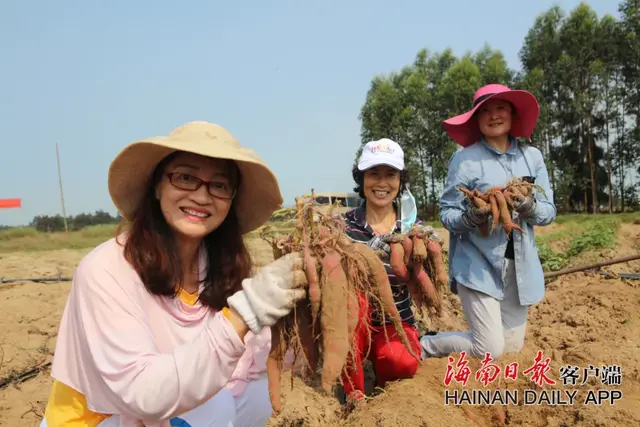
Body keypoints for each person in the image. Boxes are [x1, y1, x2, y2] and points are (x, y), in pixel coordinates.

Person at [40, 121, 306, 427]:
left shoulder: (219, 269)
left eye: (219, 185)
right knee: (216, 408)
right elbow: (144, 394)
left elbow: (250, 362)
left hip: (171, 409)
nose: (203, 197)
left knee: (255, 395)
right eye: (185, 177)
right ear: (157, 186)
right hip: (98, 418)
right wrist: (245, 313)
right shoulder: (105, 270)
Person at [419, 84, 556, 362]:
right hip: (477, 263)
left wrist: (525, 204)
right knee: (489, 349)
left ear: (512, 114)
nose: (494, 116)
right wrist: (475, 215)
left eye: (501, 108)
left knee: (511, 348)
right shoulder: (464, 159)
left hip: (519, 266)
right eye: (486, 111)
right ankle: (427, 344)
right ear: (476, 119)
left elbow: (548, 212)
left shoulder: (532, 157)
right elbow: (447, 214)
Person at [339, 138, 425, 403]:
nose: (382, 183)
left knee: (403, 363)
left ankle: (386, 387)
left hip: (396, 320)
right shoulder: (342, 226)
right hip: (352, 322)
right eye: (373, 174)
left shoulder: (411, 226)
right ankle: (353, 392)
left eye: (390, 174)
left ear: (400, 181)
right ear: (362, 178)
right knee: (357, 302)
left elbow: (420, 280)